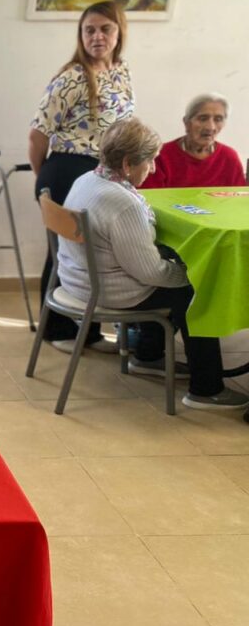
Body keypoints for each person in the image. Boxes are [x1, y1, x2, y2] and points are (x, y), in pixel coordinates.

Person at [57, 117, 249, 410]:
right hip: (108, 291)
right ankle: (206, 389)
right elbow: (151, 273)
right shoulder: (124, 203)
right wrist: (194, 274)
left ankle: (148, 356)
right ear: (127, 164)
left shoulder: (86, 180)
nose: (154, 168)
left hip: (76, 279)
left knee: (172, 277)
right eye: (150, 161)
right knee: (196, 291)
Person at [29, 0, 135, 354]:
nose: (97, 36)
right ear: (81, 35)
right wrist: (45, 178)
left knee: (96, 256)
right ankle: (56, 329)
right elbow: (37, 136)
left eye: (105, 29)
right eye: (89, 30)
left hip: (104, 174)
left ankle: (89, 332)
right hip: (67, 170)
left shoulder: (121, 71)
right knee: (65, 254)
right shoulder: (72, 77)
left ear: (119, 32)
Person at [141, 93, 246, 189]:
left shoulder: (229, 157)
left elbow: (240, 197)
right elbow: (148, 199)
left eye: (218, 119)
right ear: (186, 122)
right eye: (203, 118)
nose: (210, 127)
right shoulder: (161, 155)